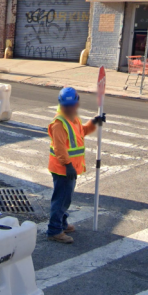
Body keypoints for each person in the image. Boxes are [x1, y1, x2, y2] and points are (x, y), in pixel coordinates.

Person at [47, 87, 106, 244]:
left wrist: (94, 122)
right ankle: (54, 230)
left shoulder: (73, 118)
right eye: (67, 106)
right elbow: (59, 148)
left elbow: (82, 132)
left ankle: (62, 223)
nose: (70, 108)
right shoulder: (59, 123)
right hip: (62, 169)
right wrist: (68, 165)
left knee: (66, 198)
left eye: (72, 105)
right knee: (61, 200)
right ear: (61, 105)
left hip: (68, 169)